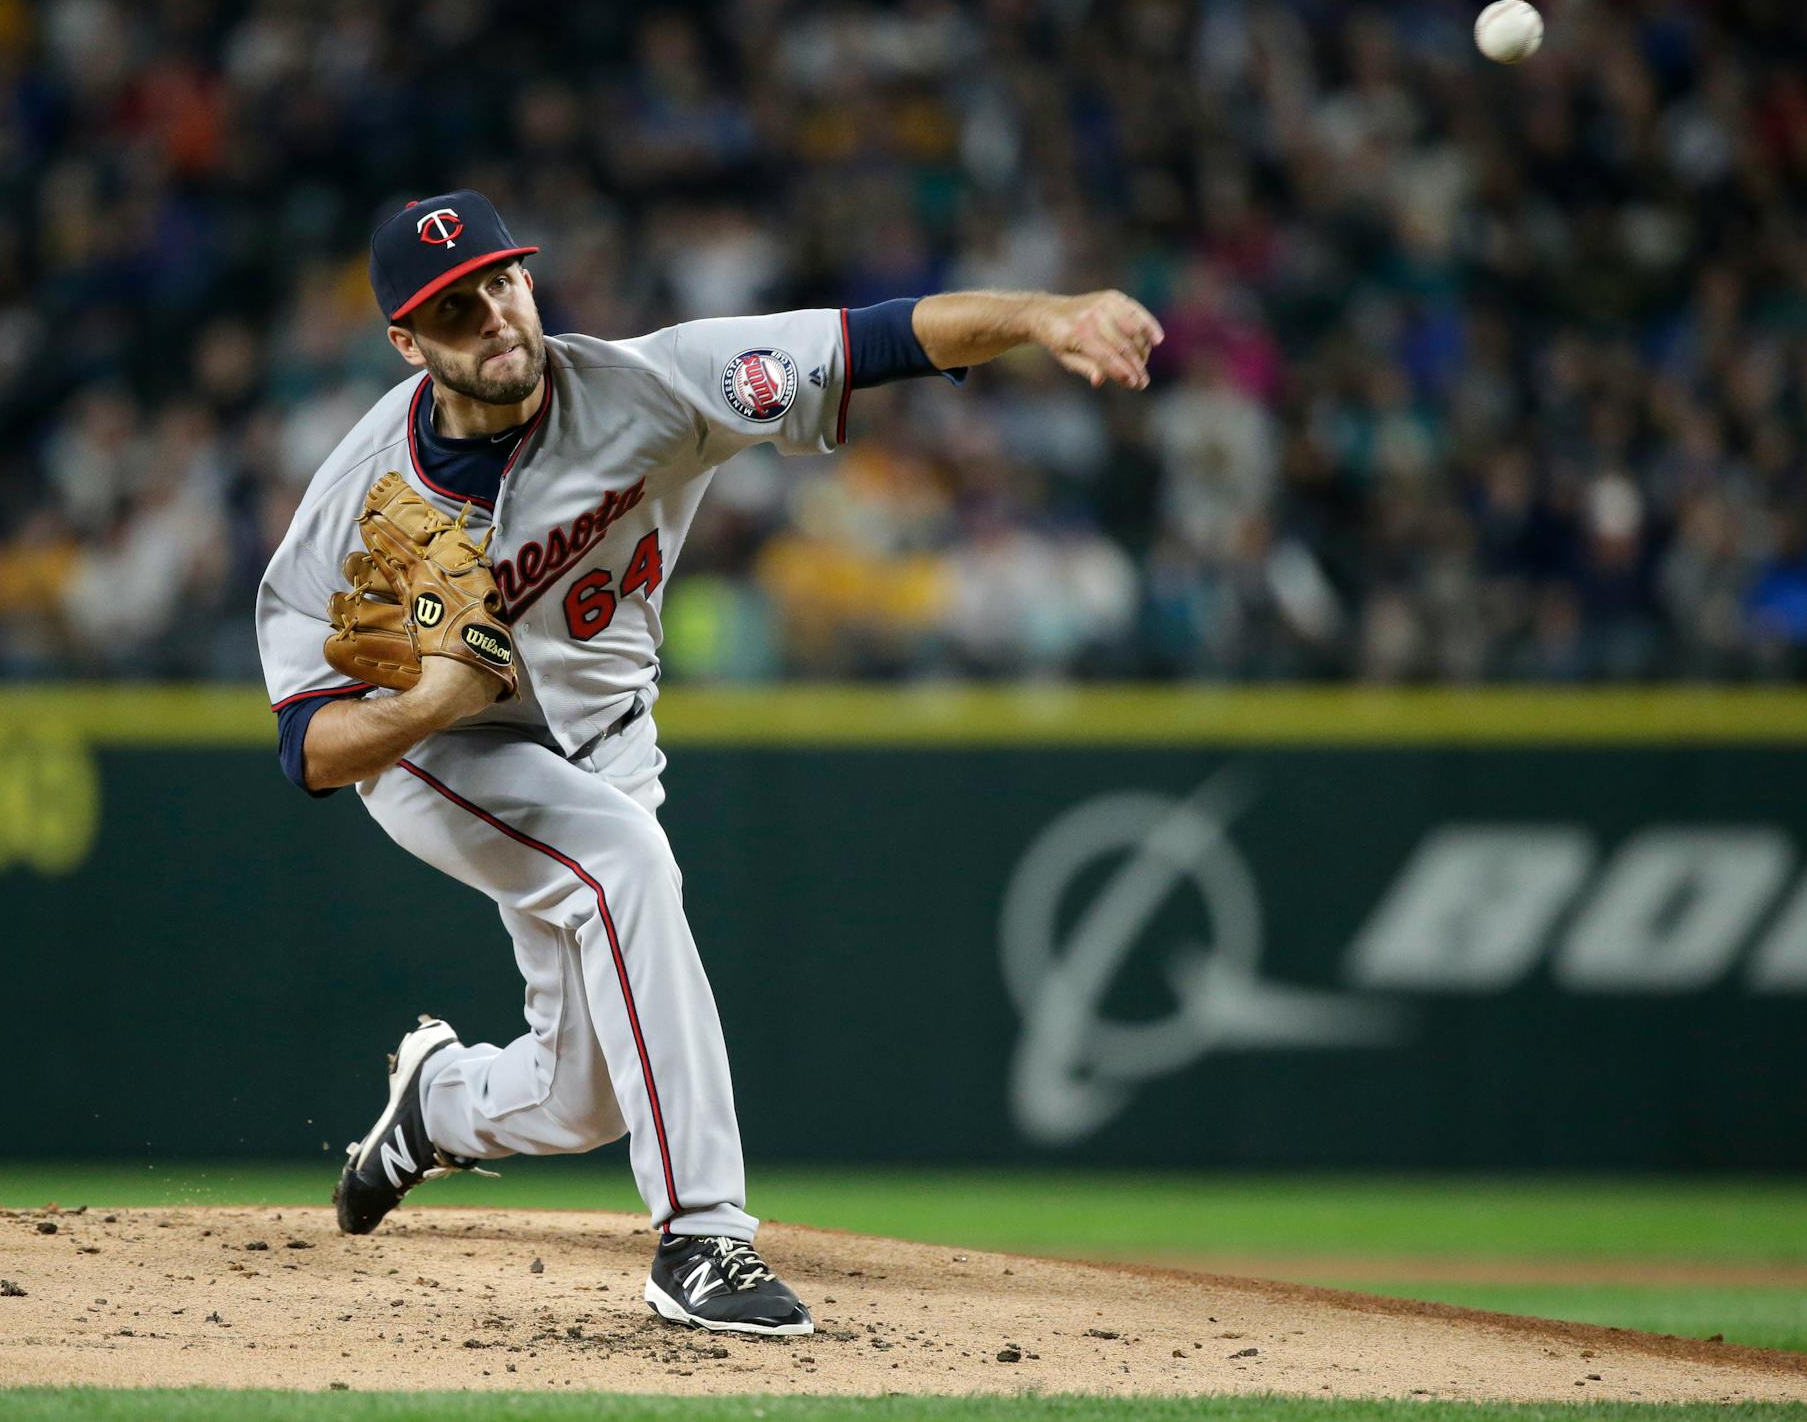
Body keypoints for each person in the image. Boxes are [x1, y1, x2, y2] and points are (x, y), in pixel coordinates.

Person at [254, 189, 1162, 1335]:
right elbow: (309, 749)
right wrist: (429, 698)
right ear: (408, 343)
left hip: (605, 737)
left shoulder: (654, 386)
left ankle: (439, 1103)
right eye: (454, 307)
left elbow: (871, 338)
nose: (494, 314)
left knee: (582, 1087)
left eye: (502, 280)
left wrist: (1040, 315)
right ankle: (703, 1236)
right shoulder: (352, 507)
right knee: (621, 859)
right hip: (440, 748)